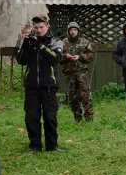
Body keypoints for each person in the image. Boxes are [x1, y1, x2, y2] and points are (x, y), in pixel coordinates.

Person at [17, 13, 64, 152]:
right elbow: (21, 60)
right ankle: (35, 146)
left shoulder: (55, 41)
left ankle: (52, 145)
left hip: (49, 85)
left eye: (41, 27)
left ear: (47, 26)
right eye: (36, 27)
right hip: (31, 86)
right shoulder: (29, 41)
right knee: (32, 117)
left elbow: (56, 58)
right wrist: (26, 42)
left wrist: (41, 46)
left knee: (50, 117)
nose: (38, 30)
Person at [61, 21, 94, 123]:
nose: (73, 32)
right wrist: (66, 56)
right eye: (71, 30)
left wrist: (80, 57)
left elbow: (90, 56)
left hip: (82, 73)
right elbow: (58, 57)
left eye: (75, 30)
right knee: (72, 98)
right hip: (70, 74)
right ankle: (77, 118)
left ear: (78, 31)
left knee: (86, 96)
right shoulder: (63, 43)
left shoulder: (85, 42)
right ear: (68, 31)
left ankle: (89, 118)